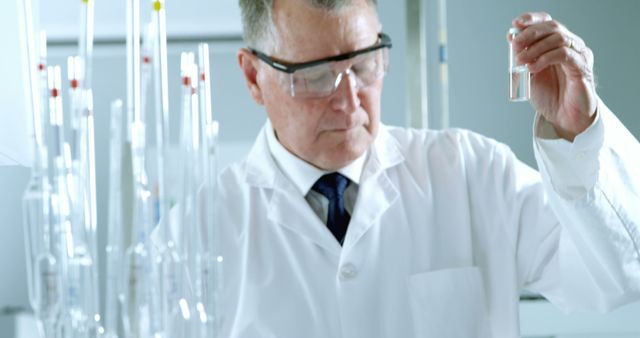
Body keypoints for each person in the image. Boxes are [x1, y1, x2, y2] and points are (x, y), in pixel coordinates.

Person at [213, 0, 640, 336]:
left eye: (363, 65)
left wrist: (580, 133)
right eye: (314, 76)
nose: (348, 100)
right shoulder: (201, 232)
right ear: (253, 76)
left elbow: (619, 276)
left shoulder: (473, 174)